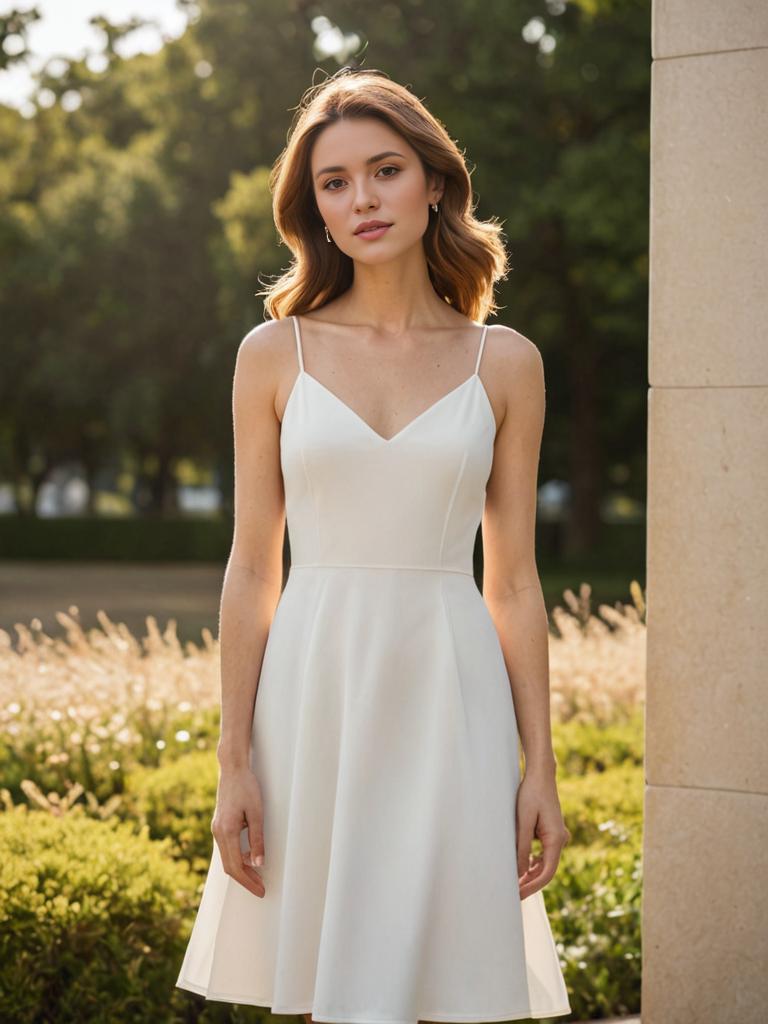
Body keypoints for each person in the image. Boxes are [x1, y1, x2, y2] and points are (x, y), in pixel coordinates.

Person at [176, 67, 572, 1023]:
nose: (361, 200)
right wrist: (235, 759)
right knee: (323, 983)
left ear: (434, 182)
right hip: (314, 689)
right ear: (312, 206)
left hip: (450, 691)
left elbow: (513, 583)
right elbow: (252, 567)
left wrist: (541, 768)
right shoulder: (274, 354)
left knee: (448, 984)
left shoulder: (507, 364)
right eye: (334, 182)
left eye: (385, 170)